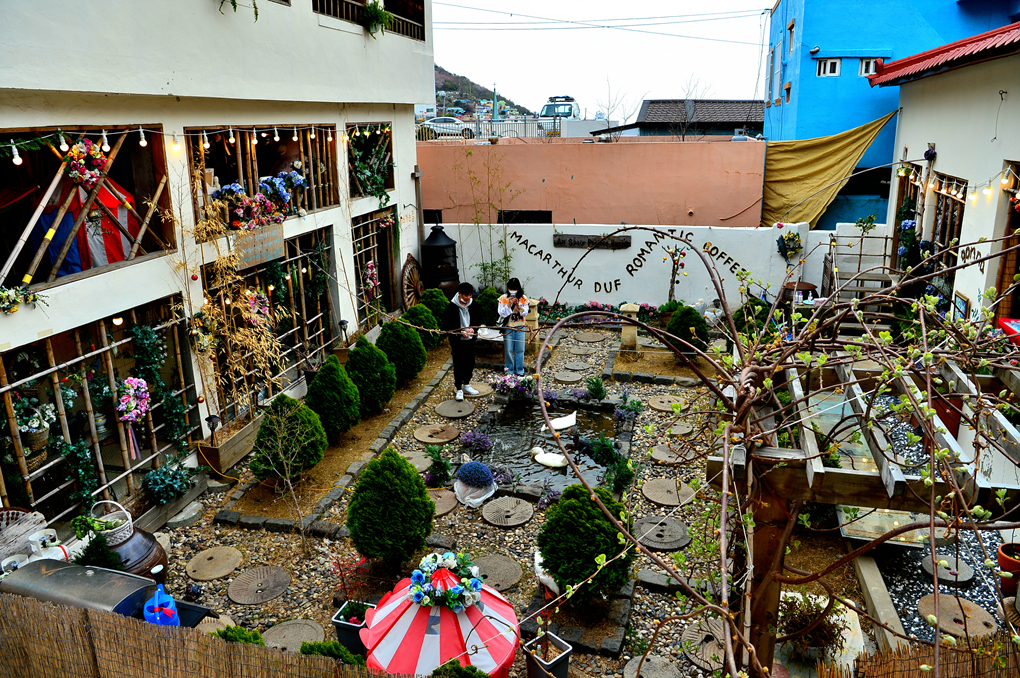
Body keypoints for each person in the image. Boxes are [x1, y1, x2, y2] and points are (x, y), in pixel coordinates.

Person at [442, 282, 483, 401]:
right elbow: (447, 325)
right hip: (458, 341)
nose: (468, 297)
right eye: (466, 295)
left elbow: (478, 318)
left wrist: (473, 329)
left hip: (470, 340)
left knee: (470, 362)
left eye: (470, 295)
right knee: (459, 363)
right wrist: (460, 332)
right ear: (459, 294)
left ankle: (467, 384)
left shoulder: (473, 305)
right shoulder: (452, 307)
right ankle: (459, 388)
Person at [497, 278, 529, 376]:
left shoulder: (523, 298)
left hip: (520, 326)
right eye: (511, 288)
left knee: (520, 349)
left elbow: (525, 313)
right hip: (508, 327)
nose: (512, 291)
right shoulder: (503, 298)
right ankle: (509, 370)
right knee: (508, 349)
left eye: (514, 289)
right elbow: (501, 313)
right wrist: (509, 305)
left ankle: (519, 370)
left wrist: (518, 306)